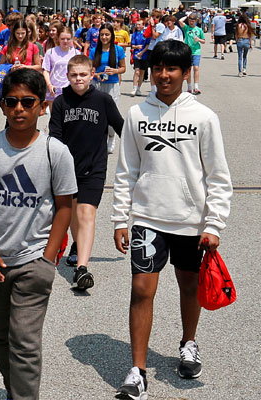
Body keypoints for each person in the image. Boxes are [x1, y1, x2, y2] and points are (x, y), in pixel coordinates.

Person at [112, 40, 232, 400]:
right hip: (148, 218)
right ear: (151, 72)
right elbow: (125, 171)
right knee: (140, 290)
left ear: (183, 72)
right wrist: (121, 218)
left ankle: (188, 343)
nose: (164, 75)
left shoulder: (204, 117)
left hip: (191, 223)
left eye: (172, 69)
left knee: (189, 287)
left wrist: (213, 225)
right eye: (158, 68)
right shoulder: (136, 115)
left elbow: (218, 178)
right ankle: (137, 371)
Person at [0, 68, 75, 400]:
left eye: (28, 102)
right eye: (11, 101)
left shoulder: (56, 152)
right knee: (0, 336)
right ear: (1, 104)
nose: (19, 109)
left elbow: (65, 207)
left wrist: (48, 259)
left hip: (33, 263)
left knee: (24, 342)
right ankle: (15, 391)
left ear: (43, 106)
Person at [49, 55, 123, 290]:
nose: (78, 79)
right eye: (74, 75)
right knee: (72, 217)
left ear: (92, 75)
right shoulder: (61, 102)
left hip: (94, 168)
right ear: (68, 76)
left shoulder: (103, 100)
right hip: (67, 170)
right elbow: (55, 137)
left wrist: (140, 157)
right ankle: (77, 245)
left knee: (86, 215)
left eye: (83, 74)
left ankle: (82, 269)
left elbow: (123, 129)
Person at [89, 23, 125, 154]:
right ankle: (99, 139)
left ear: (111, 35)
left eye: (107, 34)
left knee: (111, 113)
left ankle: (111, 136)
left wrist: (114, 71)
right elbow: (91, 69)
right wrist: (96, 75)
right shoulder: (94, 51)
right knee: (97, 113)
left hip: (112, 84)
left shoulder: (118, 50)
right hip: (97, 84)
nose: (104, 37)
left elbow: (123, 68)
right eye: (102, 34)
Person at [42, 26, 80, 105]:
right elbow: (46, 70)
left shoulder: (76, 53)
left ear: (71, 39)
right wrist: (49, 85)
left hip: (71, 90)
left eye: (68, 39)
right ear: (58, 38)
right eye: (62, 39)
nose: (65, 41)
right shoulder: (51, 52)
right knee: (55, 116)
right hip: (54, 90)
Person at [179, 15, 205, 93]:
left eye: (193, 21)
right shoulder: (186, 28)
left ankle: (196, 87)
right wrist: (187, 16)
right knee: (188, 69)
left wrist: (198, 39)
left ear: (196, 21)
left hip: (196, 51)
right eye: (190, 21)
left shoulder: (199, 29)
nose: (191, 22)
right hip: (187, 51)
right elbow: (180, 21)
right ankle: (189, 87)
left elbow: (203, 41)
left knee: (196, 68)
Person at [130, 19, 151, 96]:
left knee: (142, 72)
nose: (137, 26)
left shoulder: (146, 34)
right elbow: (132, 45)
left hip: (144, 55)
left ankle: (139, 88)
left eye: (139, 24)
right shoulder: (134, 34)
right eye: (136, 24)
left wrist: (142, 52)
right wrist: (136, 47)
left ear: (143, 25)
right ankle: (134, 88)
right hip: (136, 55)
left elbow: (147, 45)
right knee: (137, 71)